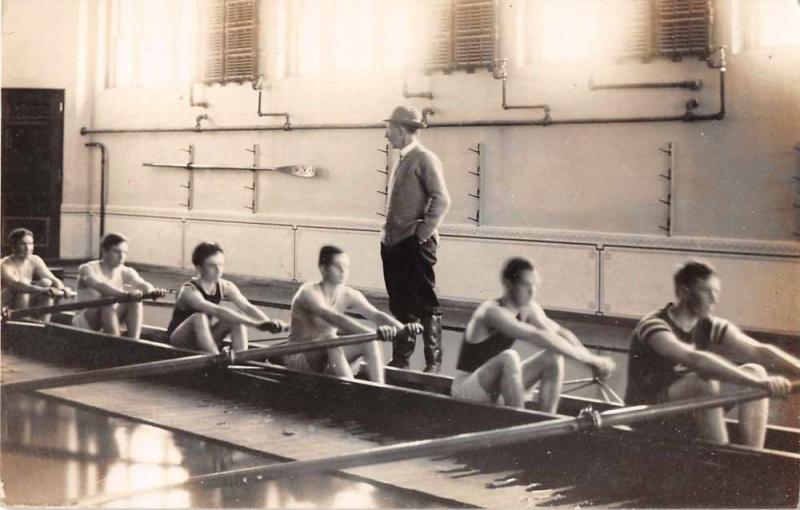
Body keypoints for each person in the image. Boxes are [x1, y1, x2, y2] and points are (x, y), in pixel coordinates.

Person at [625, 260, 799, 447]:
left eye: (716, 292)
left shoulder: (709, 326)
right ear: (684, 293)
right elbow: (694, 359)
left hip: (684, 407)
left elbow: (758, 351)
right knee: (701, 384)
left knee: (755, 370)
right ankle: (720, 464)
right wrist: (761, 384)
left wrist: (796, 369)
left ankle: (752, 458)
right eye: (707, 292)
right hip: (647, 415)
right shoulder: (653, 325)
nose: (714, 299)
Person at [452, 257, 616, 412]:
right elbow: (537, 336)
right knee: (509, 357)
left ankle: (546, 422)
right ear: (509, 284)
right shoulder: (491, 312)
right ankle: (521, 424)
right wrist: (590, 360)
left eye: (534, 284)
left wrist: (591, 362)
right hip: (466, 390)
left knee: (554, 357)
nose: (532, 291)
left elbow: (560, 334)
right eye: (525, 285)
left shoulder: (528, 308)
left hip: (495, 390)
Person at [282, 245, 422, 383]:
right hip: (298, 357)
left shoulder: (348, 293)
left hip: (328, 355)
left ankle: (380, 391)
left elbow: (376, 315)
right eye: (337, 267)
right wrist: (371, 332)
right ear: (323, 269)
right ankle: (351, 391)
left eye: (346, 267)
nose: (343, 271)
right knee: (332, 338)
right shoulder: (308, 292)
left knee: (369, 342)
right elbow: (334, 319)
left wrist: (403, 329)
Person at [381, 105, 451, 373]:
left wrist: (421, 234)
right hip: (393, 242)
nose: (386, 135)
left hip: (413, 243)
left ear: (400, 129)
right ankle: (401, 359)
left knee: (424, 300)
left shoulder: (424, 158)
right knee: (399, 301)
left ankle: (433, 363)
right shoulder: (401, 159)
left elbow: (442, 199)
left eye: (389, 130)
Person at [167, 242, 286, 353]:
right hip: (179, 340)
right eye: (212, 266)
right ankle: (215, 360)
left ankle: (241, 361)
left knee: (236, 319)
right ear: (199, 267)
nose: (218, 270)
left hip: (203, 337)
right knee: (199, 317)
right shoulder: (188, 291)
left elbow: (247, 307)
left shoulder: (226, 286)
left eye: (221, 265)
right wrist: (255, 324)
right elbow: (217, 311)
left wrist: (268, 323)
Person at [72, 232, 164, 338]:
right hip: (86, 322)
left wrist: (153, 291)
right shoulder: (87, 268)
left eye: (125, 253)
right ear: (104, 251)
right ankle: (117, 342)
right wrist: (125, 294)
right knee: (106, 298)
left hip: (109, 316)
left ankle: (133, 342)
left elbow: (142, 284)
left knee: (134, 300)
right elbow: (100, 285)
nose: (122, 257)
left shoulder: (126, 271)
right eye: (117, 252)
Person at [1, 228, 74, 321]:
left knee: (47, 282)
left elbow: (53, 279)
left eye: (30, 243)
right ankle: (22, 322)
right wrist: (43, 290)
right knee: (25, 283)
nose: (28, 248)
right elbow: (17, 285)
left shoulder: (35, 260)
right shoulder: (4, 264)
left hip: (24, 301)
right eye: (23, 244)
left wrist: (63, 289)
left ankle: (43, 324)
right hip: (6, 307)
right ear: (13, 246)